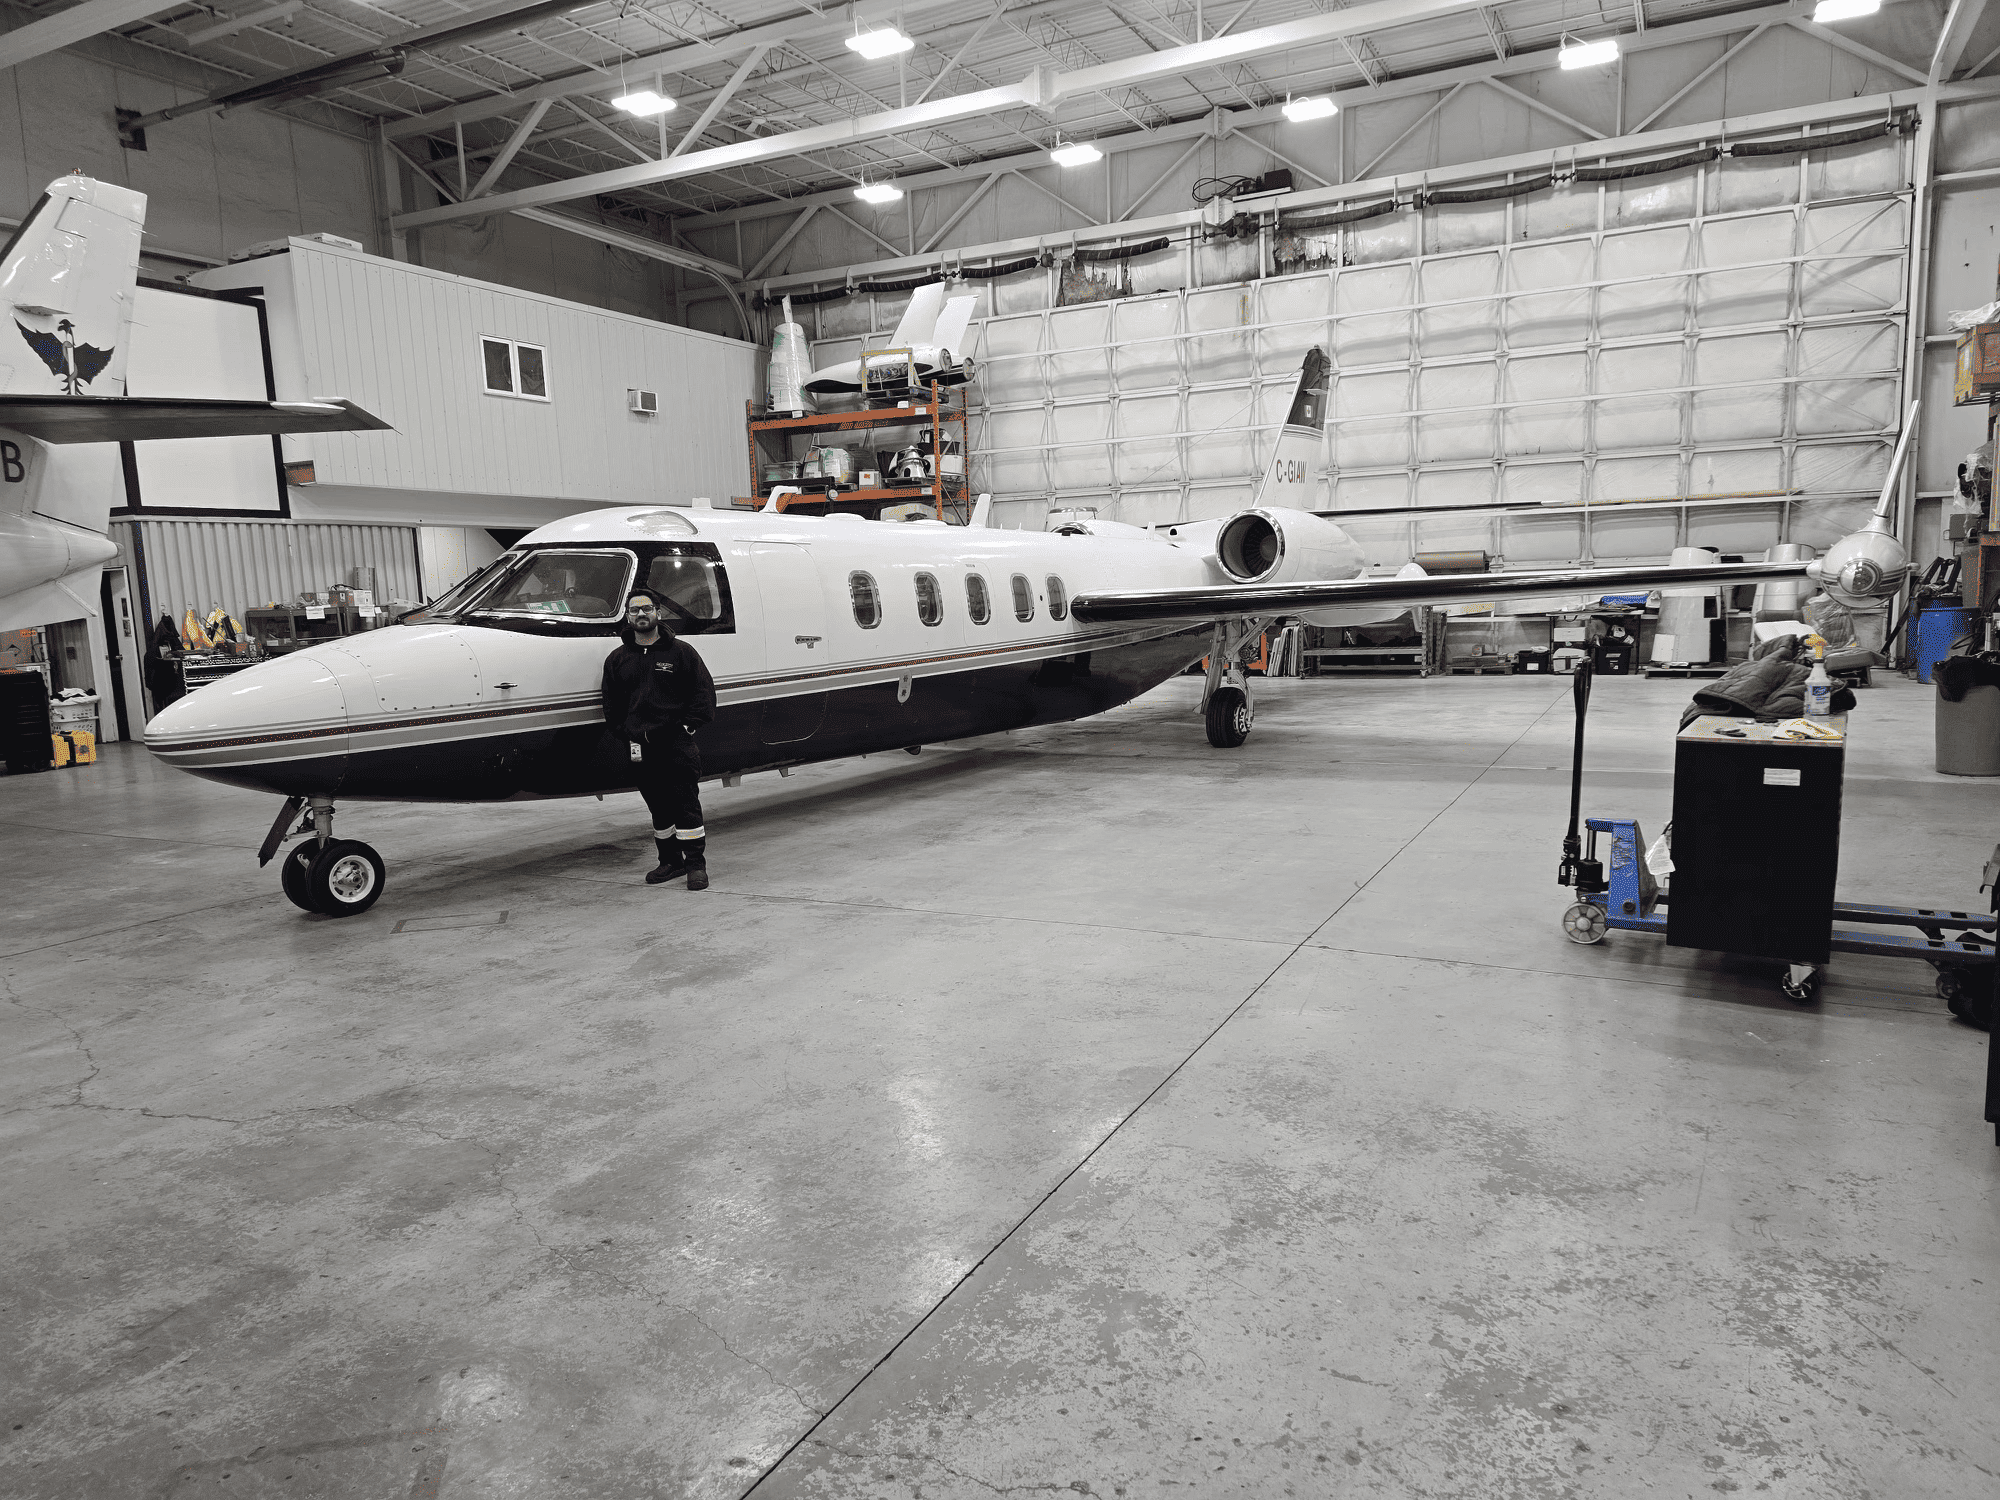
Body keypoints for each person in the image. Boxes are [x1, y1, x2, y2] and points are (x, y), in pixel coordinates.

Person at [601, 588, 717, 889]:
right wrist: (626, 732)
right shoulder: (617, 659)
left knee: (686, 806)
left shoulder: (682, 653)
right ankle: (670, 862)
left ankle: (696, 866)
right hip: (640, 749)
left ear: (658, 613)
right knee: (659, 809)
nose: (641, 614)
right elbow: (611, 705)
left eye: (646, 608)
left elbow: (704, 695)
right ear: (628, 617)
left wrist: (686, 729)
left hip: (676, 745)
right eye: (634, 610)